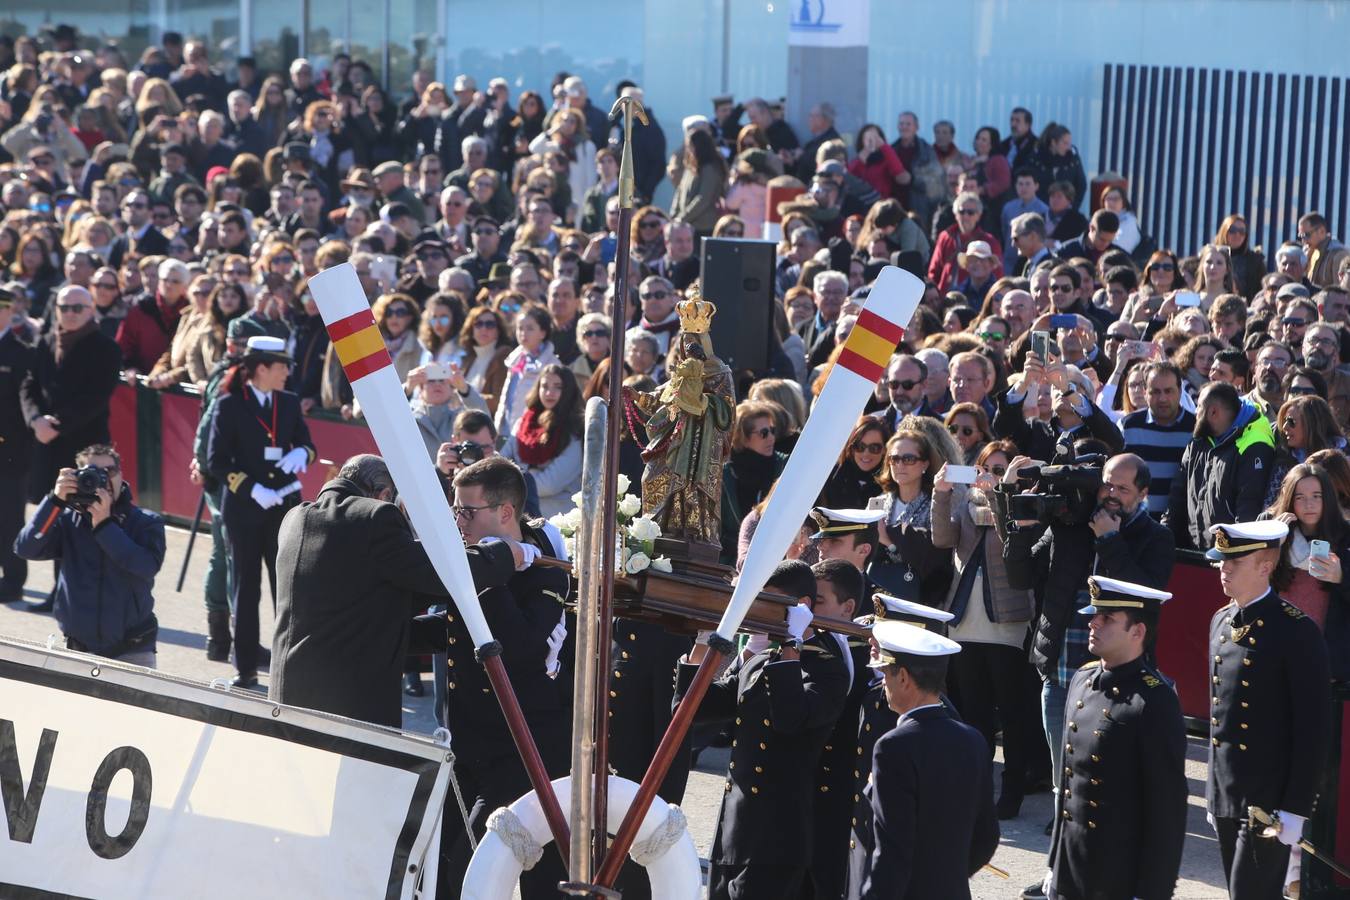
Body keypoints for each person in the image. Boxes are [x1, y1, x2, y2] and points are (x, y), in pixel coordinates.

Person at [269, 454, 521, 727]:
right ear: (385, 494)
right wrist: (506, 553)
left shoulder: (295, 518)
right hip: (345, 708)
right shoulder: (375, 517)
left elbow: (375, 598)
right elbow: (438, 575)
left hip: (286, 696)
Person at [675, 559, 849, 898]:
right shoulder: (759, 660)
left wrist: (791, 645)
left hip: (775, 841)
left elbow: (790, 719)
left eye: (768, 604)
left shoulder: (827, 669)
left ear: (801, 608)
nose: (757, 613)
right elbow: (691, 710)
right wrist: (701, 643)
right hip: (733, 831)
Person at [441, 456, 570, 900]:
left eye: (466, 511)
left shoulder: (546, 573)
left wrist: (490, 579)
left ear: (505, 513)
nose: (458, 520)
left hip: (520, 744)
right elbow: (448, 632)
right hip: (468, 740)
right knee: (437, 865)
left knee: (470, 865)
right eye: (455, 509)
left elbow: (527, 649)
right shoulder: (469, 560)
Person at [1205, 520, 1330, 900]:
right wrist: (1215, 795)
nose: (1223, 569)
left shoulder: (1296, 631)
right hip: (1228, 794)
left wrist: (1295, 809)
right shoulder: (1221, 622)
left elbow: (1313, 730)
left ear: (1264, 566)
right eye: (1222, 561)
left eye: (1234, 562)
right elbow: (1219, 720)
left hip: (1268, 802)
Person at [1044, 575, 1188, 900]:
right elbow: (1068, 791)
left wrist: (1152, 891)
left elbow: (1166, 810)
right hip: (1072, 865)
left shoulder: (1153, 700)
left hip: (1118, 875)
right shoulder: (1083, 680)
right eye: (1096, 614)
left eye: (1107, 618)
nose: (1094, 622)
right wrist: (1055, 864)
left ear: (1137, 632)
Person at [855, 619, 999, 899]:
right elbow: (986, 837)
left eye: (886, 674)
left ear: (904, 678)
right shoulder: (973, 739)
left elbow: (892, 850)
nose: (884, 684)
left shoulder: (893, 747)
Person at [931, 442, 1037, 819]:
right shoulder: (964, 504)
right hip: (963, 620)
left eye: (999, 469)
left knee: (1011, 712)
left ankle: (1012, 792)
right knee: (973, 713)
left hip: (1006, 623)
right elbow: (942, 539)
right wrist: (941, 495)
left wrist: (1001, 495)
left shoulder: (1023, 506)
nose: (989, 475)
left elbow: (1013, 542)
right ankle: (976, 791)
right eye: (985, 468)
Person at [206, 336, 315, 688]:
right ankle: (246, 666)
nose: (287, 373)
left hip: (283, 506)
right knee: (246, 587)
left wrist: (304, 453)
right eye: (282, 366)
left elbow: (307, 443)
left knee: (287, 588)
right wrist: (252, 488)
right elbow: (216, 462)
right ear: (262, 368)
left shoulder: (288, 402)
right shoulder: (229, 405)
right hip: (245, 509)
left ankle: (291, 665)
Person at [15, 444, 164, 666]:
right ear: (76, 476)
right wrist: (54, 501)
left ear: (121, 475)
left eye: (108, 472)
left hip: (133, 649)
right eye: (91, 472)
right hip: (78, 651)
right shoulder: (67, 521)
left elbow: (145, 566)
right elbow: (26, 547)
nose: (102, 479)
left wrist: (104, 526)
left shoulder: (146, 522)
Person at [21, 285, 122, 518]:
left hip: (85, 448)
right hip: (47, 447)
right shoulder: (45, 342)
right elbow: (29, 384)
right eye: (64, 308)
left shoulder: (107, 348)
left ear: (91, 310)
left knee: (85, 523)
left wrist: (56, 425)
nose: (70, 313)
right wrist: (35, 420)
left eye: (77, 308)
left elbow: (97, 396)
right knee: (51, 523)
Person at [1168, 381, 1276, 550]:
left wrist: (1234, 557)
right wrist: (1167, 540)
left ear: (1213, 412)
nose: (1196, 412)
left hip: (1227, 559)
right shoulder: (1199, 440)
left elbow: (1248, 509)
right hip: (1194, 553)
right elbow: (1178, 495)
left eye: (1199, 408)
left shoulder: (1255, 445)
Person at [1120, 361, 1197, 518]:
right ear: (1145, 391)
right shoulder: (1128, 426)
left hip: (1182, 525)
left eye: (1168, 391)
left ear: (1180, 391)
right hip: (1136, 523)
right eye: (1155, 392)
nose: (1162, 398)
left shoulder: (1196, 428)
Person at [0, 288, 35, 602]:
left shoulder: (20, 351)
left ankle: (13, 580)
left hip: (10, 450)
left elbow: (25, 401)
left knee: (10, 517)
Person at [820, 415, 891, 510]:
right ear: (852, 447)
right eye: (860, 446)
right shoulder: (831, 475)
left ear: (885, 450)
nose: (866, 453)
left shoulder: (892, 481)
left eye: (874, 448)